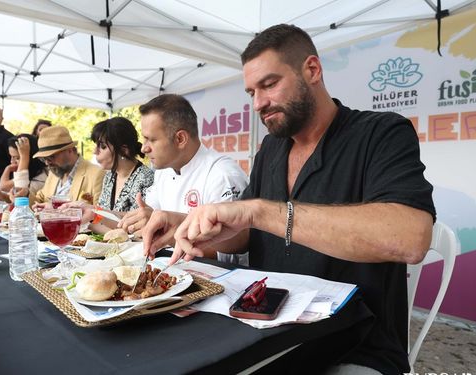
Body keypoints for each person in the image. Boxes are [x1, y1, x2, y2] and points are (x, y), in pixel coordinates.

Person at [141, 24, 435, 375]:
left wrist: (261, 211)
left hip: (354, 343)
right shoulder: (272, 148)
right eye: (251, 91)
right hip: (266, 330)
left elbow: (410, 238)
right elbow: (245, 231)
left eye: (269, 84)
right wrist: (182, 223)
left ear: (312, 70)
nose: (258, 103)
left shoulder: (381, 133)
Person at [118, 94, 248, 261]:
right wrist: (96, 214)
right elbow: (146, 219)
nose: (143, 148)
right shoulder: (163, 172)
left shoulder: (222, 175)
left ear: (180, 139)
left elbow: (233, 253)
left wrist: (175, 235)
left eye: (151, 140)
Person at [88, 117, 154, 234]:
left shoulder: (146, 178)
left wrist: (90, 220)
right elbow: (99, 219)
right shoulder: (109, 176)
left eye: (102, 147)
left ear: (124, 150)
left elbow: (135, 229)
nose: (95, 151)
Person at [30, 126, 105, 207]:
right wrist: (25, 194)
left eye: (51, 157)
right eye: (43, 159)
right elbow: (39, 202)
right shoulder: (54, 173)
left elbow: (100, 214)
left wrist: (55, 210)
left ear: (70, 150)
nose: (47, 163)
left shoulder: (97, 174)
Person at [0, 134, 48, 203]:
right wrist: (0, 194)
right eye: (11, 157)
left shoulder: (41, 177)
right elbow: (9, 192)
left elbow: (20, 199)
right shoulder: (29, 173)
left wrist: (24, 157)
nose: (12, 161)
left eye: (17, 158)